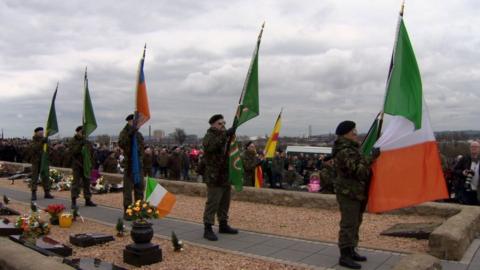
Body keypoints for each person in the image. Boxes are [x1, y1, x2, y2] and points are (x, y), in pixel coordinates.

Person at [332, 120, 378, 269]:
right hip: (348, 193)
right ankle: (344, 256)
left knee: (355, 222)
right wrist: (371, 157)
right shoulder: (344, 151)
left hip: (355, 192)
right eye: (354, 132)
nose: (356, 134)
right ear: (347, 133)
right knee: (348, 224)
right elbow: (358, 171)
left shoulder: (351, 149)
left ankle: (351, 250)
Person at [202, 114, 238, 241]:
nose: (223, 126)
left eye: (224, 123)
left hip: (225, 175)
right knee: (213, 203)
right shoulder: (209, 137)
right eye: (219, 123)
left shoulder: (224, 137)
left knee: (225, 202)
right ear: (212, 125)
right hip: (214, 176)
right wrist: (226, 134)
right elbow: (212, 147)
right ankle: (208, 228)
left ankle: (223, 224)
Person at [118, 114, 145, 220]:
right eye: (135, 121)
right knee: (128, 190)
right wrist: (130, 133)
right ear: (130, 121)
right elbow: (122, 143)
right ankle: (128, 211)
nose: (137, 123)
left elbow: (141, 148)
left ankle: (139, 210)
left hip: (138, 164)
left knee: (139, 189)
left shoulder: (138, 135)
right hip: (129, 165)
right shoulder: (124, 133)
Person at [69, 126, 96, 209]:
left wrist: (91, 164)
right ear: (77, 132)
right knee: (76, 183)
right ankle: (74, 201)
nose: (83, 134)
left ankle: (88, 200)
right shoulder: (73, 141)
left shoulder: (87, 142)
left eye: (84, 133)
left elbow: (91, 153)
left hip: (86, 165)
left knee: (87, 183)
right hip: (77, 165)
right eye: (81, 132)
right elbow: (73, 152)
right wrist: (81, 144)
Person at [29, 127, 54, 201]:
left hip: (44, 161)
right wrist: (42, 142)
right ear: (36, 133)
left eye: (42, 133)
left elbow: (48, 150)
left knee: (45, 176)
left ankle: (47, 192)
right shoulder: (34, 140)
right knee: (34, 178)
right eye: (40, 133)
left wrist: (48, 145)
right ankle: (33, 193)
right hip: (36, 161)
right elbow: (34, 148)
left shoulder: (45, 140)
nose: (42, 134)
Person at [453, 141, 480, 205]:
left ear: (479, 148)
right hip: (466, 189)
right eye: (472, 147)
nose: (474, 148)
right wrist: (462, 172)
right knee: (468, 206)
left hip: (478, 189)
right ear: (470, 148)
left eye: (476, 147)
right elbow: (454, 170)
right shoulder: (464, 158)